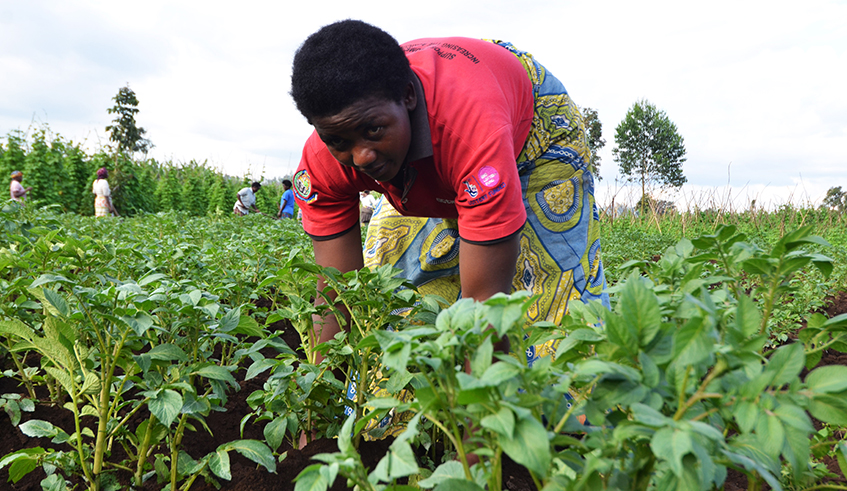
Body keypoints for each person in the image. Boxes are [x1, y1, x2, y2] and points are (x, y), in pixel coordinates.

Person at [291, 22, 609, 439]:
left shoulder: (471, 128)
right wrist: (313, 419)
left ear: (407, 96)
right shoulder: (323, 160)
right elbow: (338, 292)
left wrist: (474, 463)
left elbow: (486, 307)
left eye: (373, 131)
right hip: (432, 152)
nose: (361, 156)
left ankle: (571, 439)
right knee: (394, 299)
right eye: (338, 140)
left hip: (530, 133)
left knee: (550, 308)